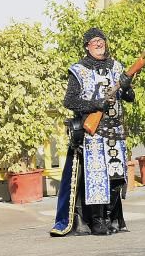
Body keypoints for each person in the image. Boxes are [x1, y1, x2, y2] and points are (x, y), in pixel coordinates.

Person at [51, 28, 136, 237]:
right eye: (94, 41)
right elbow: (70, 101)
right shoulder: (78, 70)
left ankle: (109, 217)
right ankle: (96, 221)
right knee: (97, 178)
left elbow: (130, 97)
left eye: (102, 41)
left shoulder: (117, 67)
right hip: (93, 133)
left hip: (115, 131)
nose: (99, 44)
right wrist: (96, 104)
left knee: (116, 178)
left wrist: (126, 87)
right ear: (87, 46)